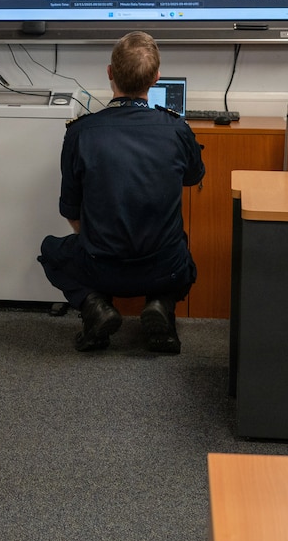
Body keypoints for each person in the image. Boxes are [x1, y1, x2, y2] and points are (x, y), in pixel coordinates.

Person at [38, 32, 205, 353]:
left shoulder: (80, 133)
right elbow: (193, 177)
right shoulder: (177, 130)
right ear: (156, 78)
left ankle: (96, 306)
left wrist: (99, 245)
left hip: (101, 267)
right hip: (164, 268)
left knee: (51, 251)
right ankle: (160, 307)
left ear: (110, 72)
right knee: (183, 253)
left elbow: (70, 210)